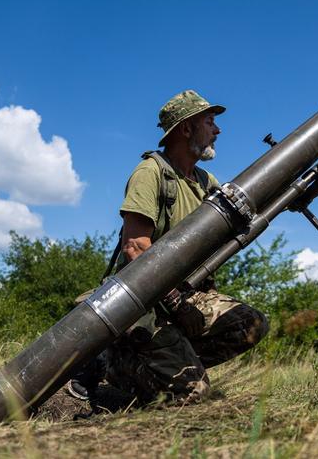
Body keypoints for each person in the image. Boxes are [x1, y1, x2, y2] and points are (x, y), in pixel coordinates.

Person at [69, 90, 269, 406]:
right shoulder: (151, 172)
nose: (218, 130)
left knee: (250, 324)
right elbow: (135, 247)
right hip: (147, 300)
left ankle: (154, 361)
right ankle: (112, 360)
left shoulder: (206, 181)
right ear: (186, 128)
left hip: (187, 294)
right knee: (192, 394)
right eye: (210, 122)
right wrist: (177, 304)